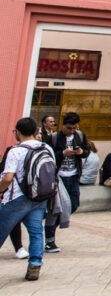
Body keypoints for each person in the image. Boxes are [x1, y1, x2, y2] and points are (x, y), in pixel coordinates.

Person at [0, 118, 54, 281]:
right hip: (39, 196)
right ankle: (35, 265)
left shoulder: (16, 151)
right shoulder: (47, 148)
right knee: (36, 231)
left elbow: (8, 177)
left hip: (17, 198)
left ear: (17, 131)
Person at [44, 112, 89, 253]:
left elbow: (87, 151)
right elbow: (47, 157)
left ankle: (51, 230)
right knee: (55, 209)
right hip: (58, 177)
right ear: (63, 125)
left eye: (74, 128)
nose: (71, 131)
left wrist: (81, 152)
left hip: (74, 176)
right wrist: (63, 153)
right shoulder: (54, 138)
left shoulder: (80, 136)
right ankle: (49, 240)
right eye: (69, 128)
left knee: (73, 205)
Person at [0, 143, 29, 259]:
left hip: (12, 198)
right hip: (10, 197)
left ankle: (19, 248)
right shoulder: (12, 152)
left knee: (14, 220)